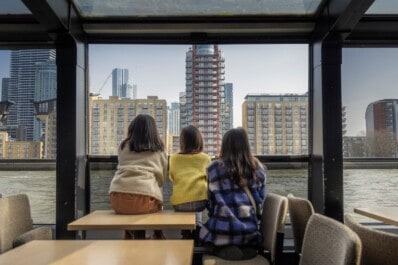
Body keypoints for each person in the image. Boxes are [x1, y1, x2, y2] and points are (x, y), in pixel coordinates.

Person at [199, 127, 267, 260]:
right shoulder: (259, 168)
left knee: (203, 234)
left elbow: (211, 204)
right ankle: (246, 247)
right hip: (249, 232)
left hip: (221, 232)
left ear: (225, 146)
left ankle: (223, 248)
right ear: (247, 146)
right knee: (248, 236)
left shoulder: (213, 168)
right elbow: (260, 203)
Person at [108, 114, 168, 239]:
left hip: (117, 198)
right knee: (157, 193)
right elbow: (162, 179)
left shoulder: (123, 146)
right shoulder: (159, 149)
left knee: (134, 202)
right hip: (144, 200)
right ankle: (157, 234)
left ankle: (129, 235)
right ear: (154, 131)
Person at [169, 125, 211, 240]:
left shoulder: (173, 158)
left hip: (179, 203)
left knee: (187, 200)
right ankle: (197, 227)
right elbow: (209, 179)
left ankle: (186, 232)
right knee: (199, 194)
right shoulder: (206, 158)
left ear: (182, 142)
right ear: (199, 141)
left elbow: (172, 177)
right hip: (200, 202)